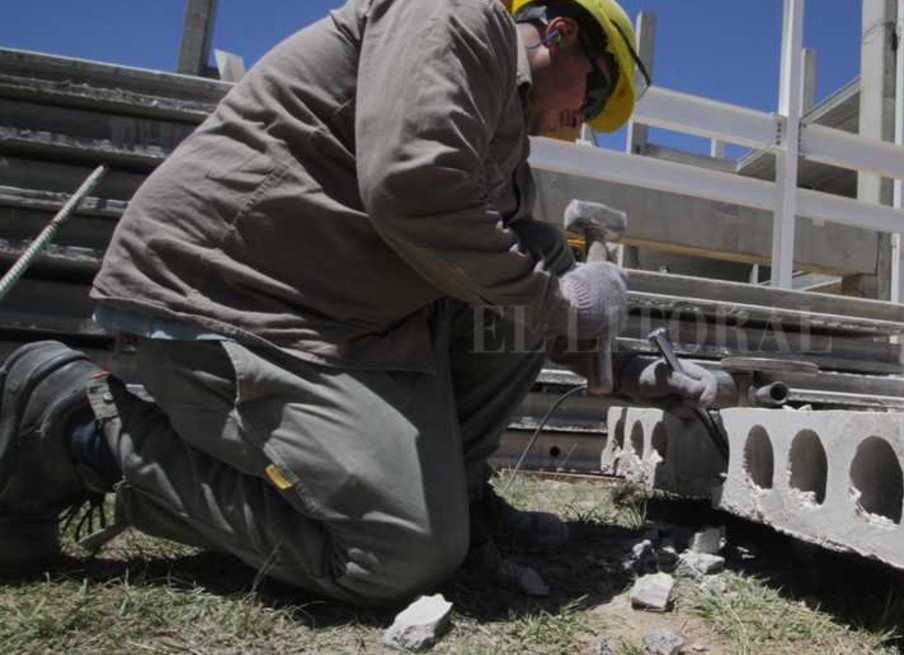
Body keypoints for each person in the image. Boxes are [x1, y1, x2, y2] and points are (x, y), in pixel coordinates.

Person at [0, 0, 715, 606]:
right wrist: (563, 303)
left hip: (327, 315)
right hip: (225, 300)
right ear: (561, 32)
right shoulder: (453, 19)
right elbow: (413, 191)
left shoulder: (502, 145)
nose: (580, 120)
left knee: (538, 251)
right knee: (400, 553)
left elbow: (511, 279)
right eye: (594, 95)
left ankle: (460, 495)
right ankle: (81, 432)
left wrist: (632, 373)